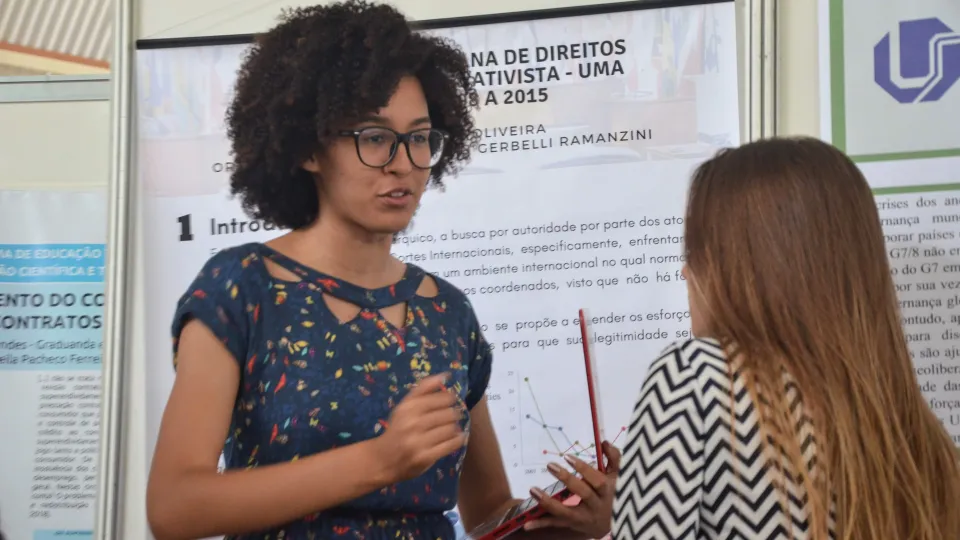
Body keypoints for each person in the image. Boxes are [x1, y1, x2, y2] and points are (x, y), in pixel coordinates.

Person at [145, 2, 618, 539]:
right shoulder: (242, 287)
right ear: (307, 148)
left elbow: (486, 514)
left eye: (419, 138)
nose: (402, 162)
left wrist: (572, 524)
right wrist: (379, 462)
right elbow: (175, 506)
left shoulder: (447, 310)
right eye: (374, 137)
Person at [609, 137, 960, 539]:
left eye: (697, 250)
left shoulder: (695, 375)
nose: (686, 273)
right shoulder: (917, 436)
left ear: (744, 265)